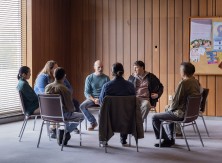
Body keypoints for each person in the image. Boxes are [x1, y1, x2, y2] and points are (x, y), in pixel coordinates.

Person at [152, 62, 200, 147]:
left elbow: (176, 101)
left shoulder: (183, 83)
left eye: (180, 70)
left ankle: (167, 140)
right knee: (169, 110)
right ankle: (171, 138)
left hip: (181, 113)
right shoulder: (196, 82)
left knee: (155, 117)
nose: (180, 72)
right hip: (191, 114)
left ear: (184, 72)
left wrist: (169, 108)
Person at [34, 60, 80, 138]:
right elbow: (44, 93)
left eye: (57, 67)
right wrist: (61, 94)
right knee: (64, 107)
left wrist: (66, 94)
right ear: (49, 69)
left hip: (59, 97)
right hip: (45, 102)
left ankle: (70, 123)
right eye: (55, 68)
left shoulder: (59, 75)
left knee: (75, 102)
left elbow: (70, 88)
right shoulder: (42, 77)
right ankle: (56, 128)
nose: (57, 69)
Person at [45, 67, 84, 146]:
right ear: (64, 76)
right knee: (82, 116)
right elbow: (69, 107)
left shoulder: (47, 87)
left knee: (67, 113)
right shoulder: (64, 89)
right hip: (62, 115)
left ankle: (62, 133)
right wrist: (73, 109)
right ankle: (65, 132)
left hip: (48, 115)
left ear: (54, 75)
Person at [99, 63, 135, 146]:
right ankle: (123, 139)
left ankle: (104, 140)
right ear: (123, 72)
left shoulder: (107, 86)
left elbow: (101, 102)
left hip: (110, 119)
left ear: (112, 72)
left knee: (102, 113)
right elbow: (133, 103)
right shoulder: (130, 86)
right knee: (125, 111)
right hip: (126, 119)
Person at [80, 60, 110, 131]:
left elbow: (108, 91)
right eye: (99, 67)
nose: (101, 69)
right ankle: (93, 122)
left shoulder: (106, 78)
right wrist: (94, 99)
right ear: (94, 67)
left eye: (102, 67)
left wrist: (101, 99)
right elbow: (87, 92)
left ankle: (103, 126)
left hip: (103, 98)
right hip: (92, 98)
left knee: (103, 110)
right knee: (82, 106)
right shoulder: (89, 78)